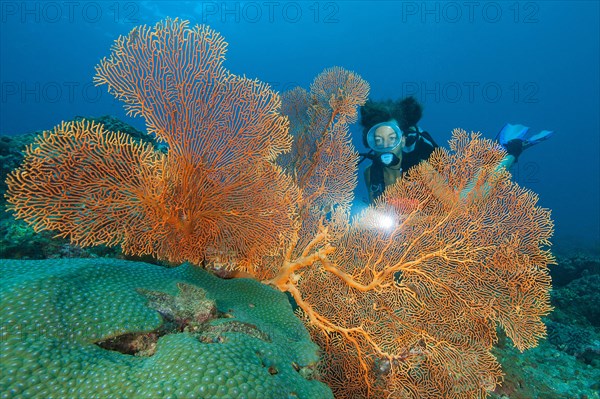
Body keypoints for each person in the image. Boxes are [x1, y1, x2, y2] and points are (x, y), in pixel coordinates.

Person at [359, 97, 553, 203]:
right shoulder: (370, 174)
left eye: (392, 138)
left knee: (472, 197)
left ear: (402, 140)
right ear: (369, 143)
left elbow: (457, 207)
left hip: (441, 181)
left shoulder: (421, 167)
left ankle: (509, 151)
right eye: (378, 140)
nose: (386, 146)